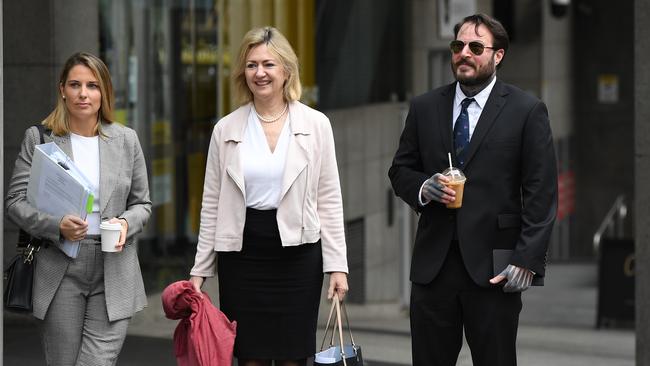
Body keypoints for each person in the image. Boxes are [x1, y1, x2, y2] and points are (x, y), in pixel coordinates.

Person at [388, 14, 558, 366]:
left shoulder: (526, 111)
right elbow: (400, 170)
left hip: (495, 269)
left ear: (498, 56)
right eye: (458, 46)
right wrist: (424, 186)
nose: (464, 53)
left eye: (475, 47)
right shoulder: (424, 107)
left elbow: (541, 193)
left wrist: (527, 260)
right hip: (433, 268)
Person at [188, 26, 349, 366]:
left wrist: (337, 266)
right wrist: (200, 271)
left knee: (293, 356)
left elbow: (329, 198)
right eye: (251, 65)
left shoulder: (316, 124)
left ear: (286, 70)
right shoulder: (226, 128)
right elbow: (212, 203)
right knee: (251, 357)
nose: (259, 73)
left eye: (268, 64)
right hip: (243, 256)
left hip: (299, 255)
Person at [5, 52, 152, 365]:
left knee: (96, 361)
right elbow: (14, 202)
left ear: (104, 92)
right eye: (75, 85)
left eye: (92, 86)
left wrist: (126, 223)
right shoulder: (40, 138)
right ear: (62, 90)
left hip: (115, 265)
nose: (83, 93)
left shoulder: (126, 140)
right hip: (60, 264)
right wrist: (57, 224)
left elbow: (143, 203)